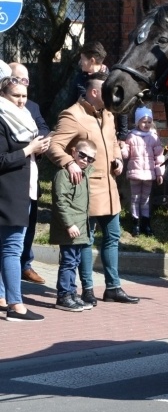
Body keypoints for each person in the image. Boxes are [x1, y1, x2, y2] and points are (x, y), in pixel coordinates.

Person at [47, 71, 139, 305]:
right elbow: (54, 146)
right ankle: (87, 289)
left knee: (112, 237)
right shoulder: (72, 115)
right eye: (106, 91)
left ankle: (113, 287)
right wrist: (69, 162)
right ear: (94, 92)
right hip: (86, 191)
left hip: (110, 188)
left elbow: (113, 142)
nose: (111, 96)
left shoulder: (108, 113)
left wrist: (118, 158)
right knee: (86, 240)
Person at [0, 61, 50, 321]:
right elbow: (2, 159)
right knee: (11, 249)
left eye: (24, 96)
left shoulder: (23, 117)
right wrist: (28, 151)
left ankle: (4, 299)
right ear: (2, 94)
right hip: (9, 194)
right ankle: (16, 306)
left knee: (7, 248)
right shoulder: (2, 118)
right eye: (15, 96)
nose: (21, 101)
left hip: (24, 190)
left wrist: (37, 151)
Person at [9, 63, 50, 285]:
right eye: (19, 80)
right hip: (10, 177)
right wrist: (29, 145)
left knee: (29, 224)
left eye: (27, 81)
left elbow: (44, 128)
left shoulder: (32, 107)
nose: (24, 86)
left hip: (31, 178)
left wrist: (42, 142)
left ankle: (25, 265)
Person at [51, 139, 97, 312]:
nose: (85, 160)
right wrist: (69, 224)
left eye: (90, 159)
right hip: (69, 228)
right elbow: (60, 202)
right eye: (82, 155)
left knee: (75, 261)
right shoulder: (64, 174)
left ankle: (71, 293)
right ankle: (63, 296)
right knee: (68, 262)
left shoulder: (85, 174)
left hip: (79, 227)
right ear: (73, 152)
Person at [71, 41, 129, 141]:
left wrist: (122, 137)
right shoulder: (79, 78)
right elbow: (71, 102)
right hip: (83, 130)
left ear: (92, 60)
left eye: (82, 59)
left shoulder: (111, 80)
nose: (80, 62)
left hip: (105, 131)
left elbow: (121, 108)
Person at [121, 106, 164, 236]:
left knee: (145, 199)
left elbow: (159, 156)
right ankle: (135, 223)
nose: (146, 124)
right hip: (135, 173)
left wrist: (159, 173)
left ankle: (146, 223)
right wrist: (122, 148)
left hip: (149, 174)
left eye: (149, 122)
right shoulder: (131, 136)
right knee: (135, 198)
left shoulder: (154, 137)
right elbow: (126, 155)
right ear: (137, 122)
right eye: (144, 121)